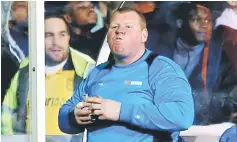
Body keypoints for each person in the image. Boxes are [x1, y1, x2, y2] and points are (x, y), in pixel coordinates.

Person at [58, 7, 194, 142]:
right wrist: (74, 117)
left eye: (128, 27)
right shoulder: (98, 72)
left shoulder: (161, 68)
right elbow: (64, 116)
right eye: (114, 26)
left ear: (144, 35)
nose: (119, 31)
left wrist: (120, 111)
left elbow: (182, 115)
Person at [1, 13, 95, 142]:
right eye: (48, 35)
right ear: (38, 39)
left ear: (68, 37)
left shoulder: (86, 68)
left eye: (62, 34)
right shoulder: (26, 69)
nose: (56, 42)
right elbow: (7, 114)